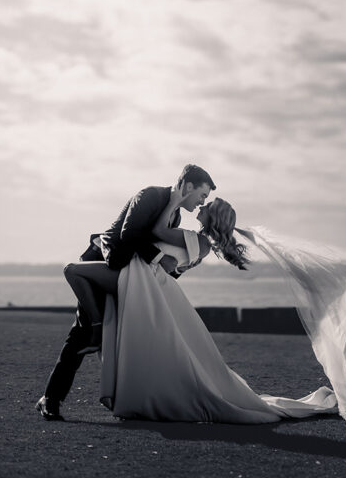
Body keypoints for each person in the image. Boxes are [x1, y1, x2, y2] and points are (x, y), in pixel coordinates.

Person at [97, 188, 346, 428]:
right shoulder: (200, 242)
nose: (201, 205)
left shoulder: (196, 240)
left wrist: (174, 199)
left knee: (184, 363)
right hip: (155, 290)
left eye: (205, 205)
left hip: (155, 291)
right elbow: (167, 257)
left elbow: (157, 233)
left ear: (211, 219)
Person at [35, 164, 215, 421]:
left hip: (128, 275)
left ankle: (125, 398)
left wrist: (176, 268)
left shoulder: (174, 216)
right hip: (102, 263)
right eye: (202, 195)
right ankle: (51, 400)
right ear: (188, 186)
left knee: (120, 336)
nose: (201, 202)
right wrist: (160, 258)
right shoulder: (149, 196)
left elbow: (161, 253)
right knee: (82, 333)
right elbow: (128, 235)